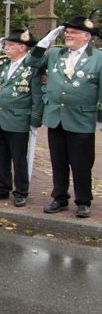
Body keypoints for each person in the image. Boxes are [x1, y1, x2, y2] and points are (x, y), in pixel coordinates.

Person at [27, 17, 102, 218]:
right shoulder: (55, 53)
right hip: (56, 116)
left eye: (73, 32)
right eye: (67, 32)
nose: (68, 35)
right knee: (58, 162)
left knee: (81, 163)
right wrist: (45, 41)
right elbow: (31, 62)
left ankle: (83, 201)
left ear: (86, 36)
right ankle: (59, 198)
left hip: (81, 118)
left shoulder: (98, 57)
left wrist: (101, 118)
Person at [0, 29, 43, 207]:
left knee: (19, 158)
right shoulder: (2, 64)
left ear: (22, 47)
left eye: (10, 45)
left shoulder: (32, 67)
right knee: (0, 157)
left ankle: (21, 191)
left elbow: (37, 97)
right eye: (5, 45)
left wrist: (35, 121)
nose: (6, 48)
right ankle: (2, 188)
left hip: (18, 119)